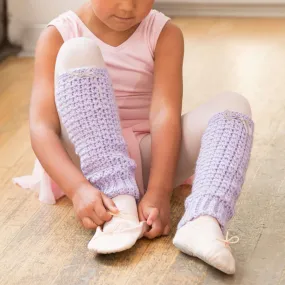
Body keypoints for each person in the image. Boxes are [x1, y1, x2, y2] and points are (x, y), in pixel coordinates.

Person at [14, 0, 254, 275]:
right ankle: (119, 200)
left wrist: (160, 191)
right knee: (78, 50)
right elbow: (41, 128)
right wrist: (77, 188)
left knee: (235, 106)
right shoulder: (59, 34)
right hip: (87, 163)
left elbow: (165, 114)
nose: (129, 7)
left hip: (147, 157)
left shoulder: (164, 33)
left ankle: (203, 221)